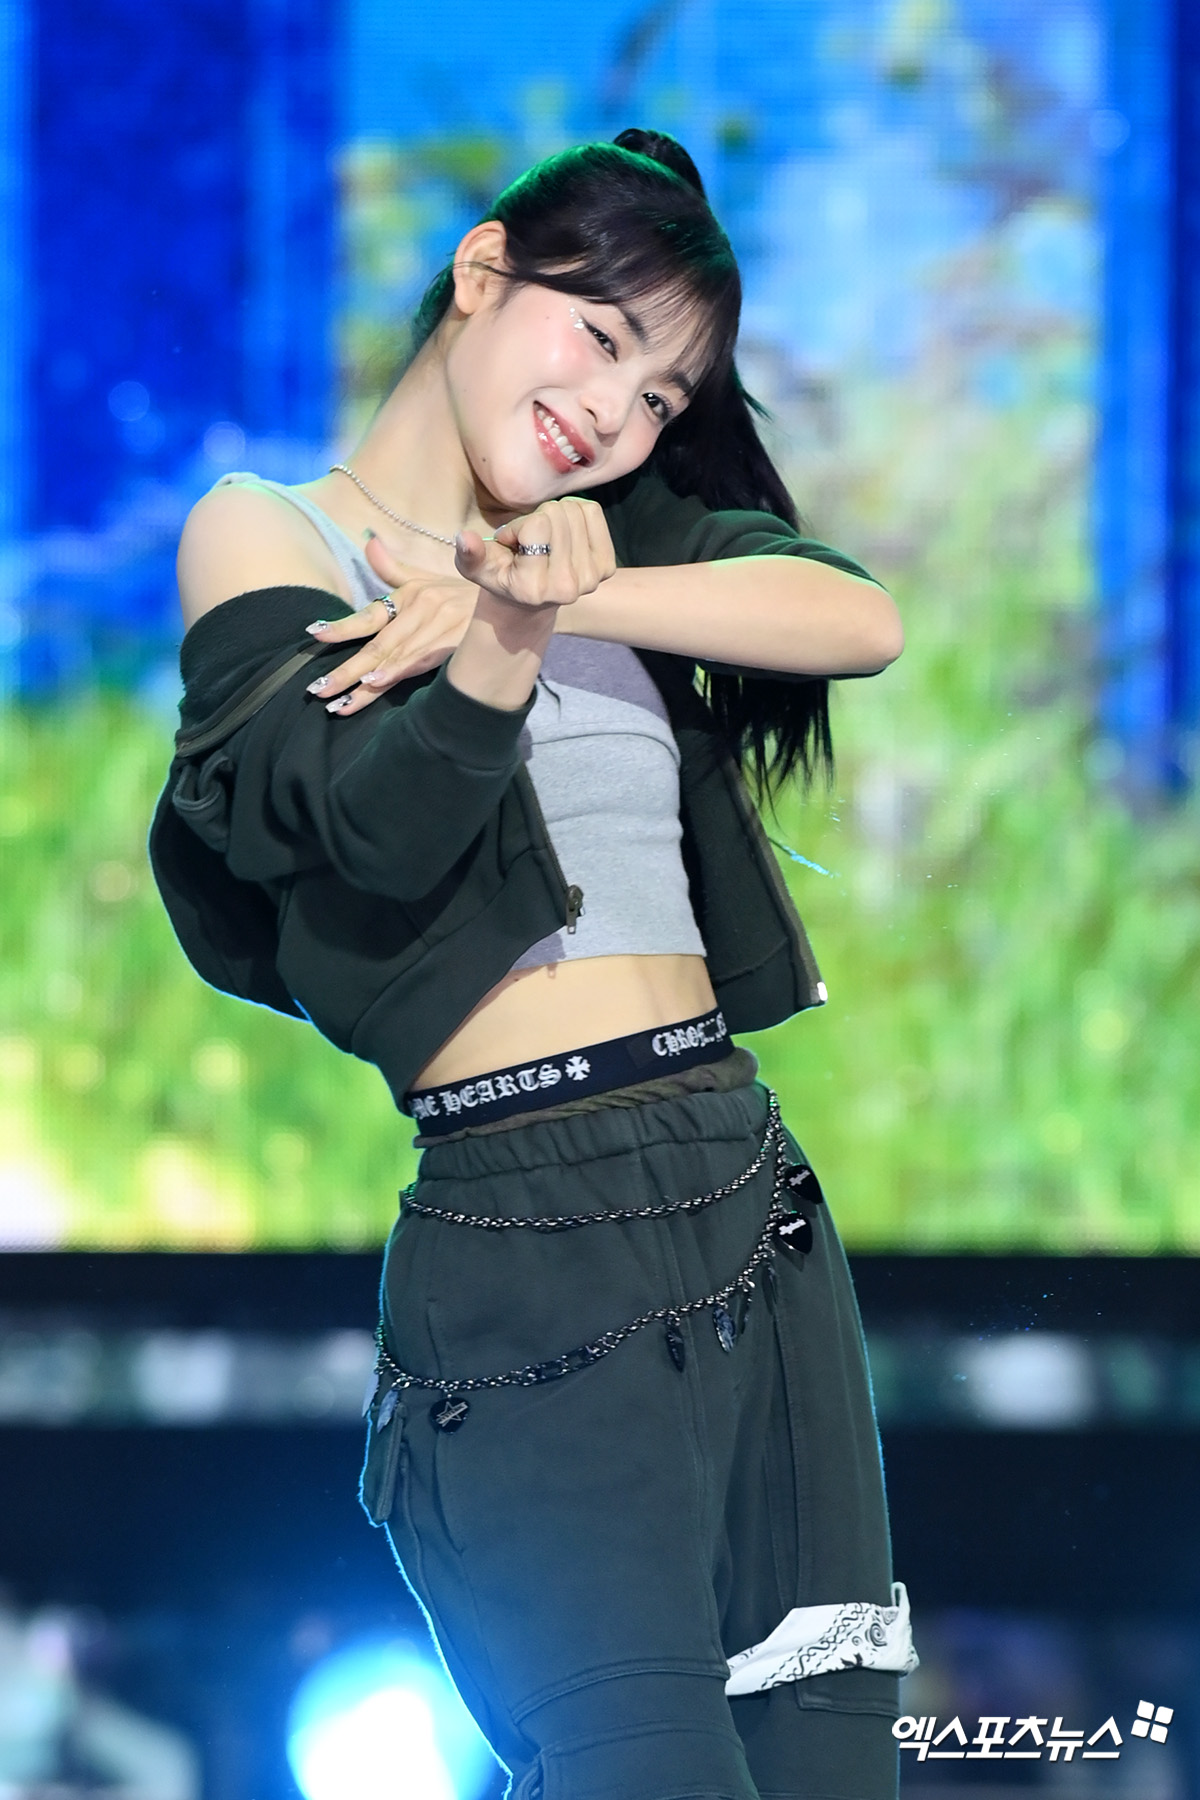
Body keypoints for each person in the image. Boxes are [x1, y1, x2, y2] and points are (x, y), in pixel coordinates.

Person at [152, 129, 913, 1800]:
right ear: (483, 272)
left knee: (834, 1764)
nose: (614, 413)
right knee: (644, 1770)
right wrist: (494, 636)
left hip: (749, 1190)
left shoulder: (603, 537)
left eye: (660, 395)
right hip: (522, 1227)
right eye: (601, 337)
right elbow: (367, 838)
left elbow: (859, 622)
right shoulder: (271, 535)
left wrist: (562, 593)